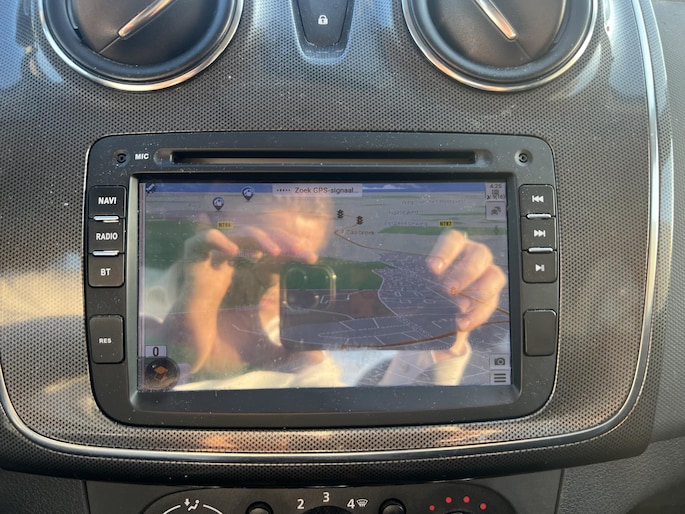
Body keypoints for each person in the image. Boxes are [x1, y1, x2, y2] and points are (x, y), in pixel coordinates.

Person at [157, 196, 506, 389]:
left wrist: (444, 342)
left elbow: (373, 444)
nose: (275, 285)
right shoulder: (139, 298)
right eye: (257, 255)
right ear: (205, 224)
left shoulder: (306, 354)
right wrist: (191, 326)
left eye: (299, 271)